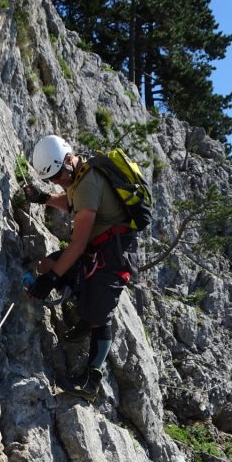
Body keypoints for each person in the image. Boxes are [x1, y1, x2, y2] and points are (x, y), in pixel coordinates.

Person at [22, 134, 138, 401]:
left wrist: (50, 279)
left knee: (100, 313)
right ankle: (84, 315)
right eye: (52, 180)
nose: (58, 183)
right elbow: (71, 201)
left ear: (68, 160)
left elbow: (77, 245)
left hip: (115, 253)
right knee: (50, 263)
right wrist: (44, 198)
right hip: (99, 248)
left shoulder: (87, 182)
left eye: (58, 177)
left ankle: (91, 381)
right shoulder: (78, 177)